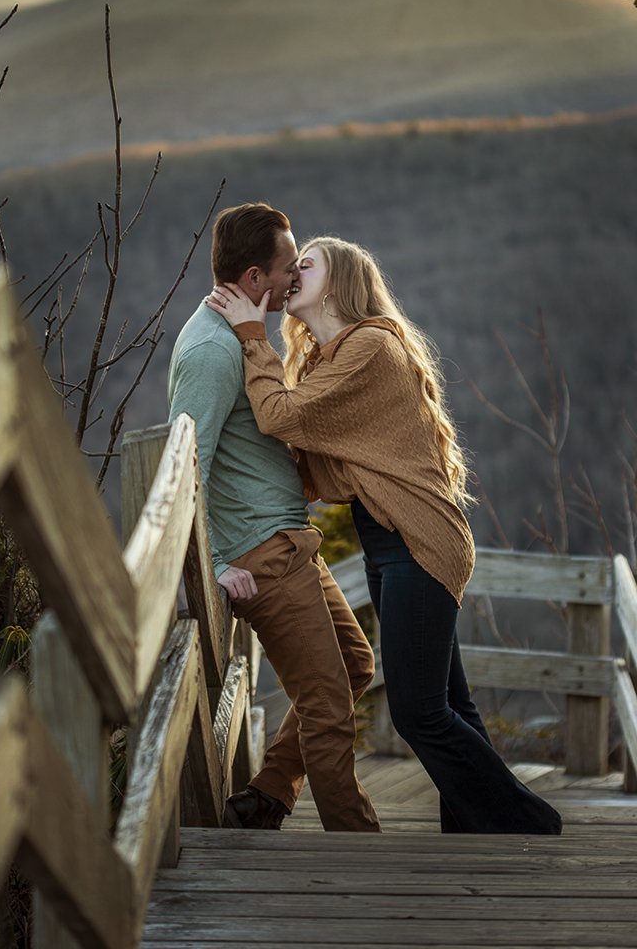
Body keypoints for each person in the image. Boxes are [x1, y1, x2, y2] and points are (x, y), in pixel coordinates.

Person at [207, 235, 563, 835]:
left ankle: (528, 821)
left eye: (308, 263)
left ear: (340, 281)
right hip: (393, 541)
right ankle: (475, 827)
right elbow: (313, 469)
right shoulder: (331, 358)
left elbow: (281, 417)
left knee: (419, 712)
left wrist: (250, 336)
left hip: (416, 542)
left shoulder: (369, 347)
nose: (294, 271)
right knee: (452, 706)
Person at [168, 204, 380, 833]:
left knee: (355, 664)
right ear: (256, 276)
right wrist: (211, 564)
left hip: (290, 542)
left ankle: (267, 795)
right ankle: (359, 845)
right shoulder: (211, 351)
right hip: (263, 554)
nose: (295, 278)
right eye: (289, 268)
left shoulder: (236, 334)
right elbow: (185, 469)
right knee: (326, 704)